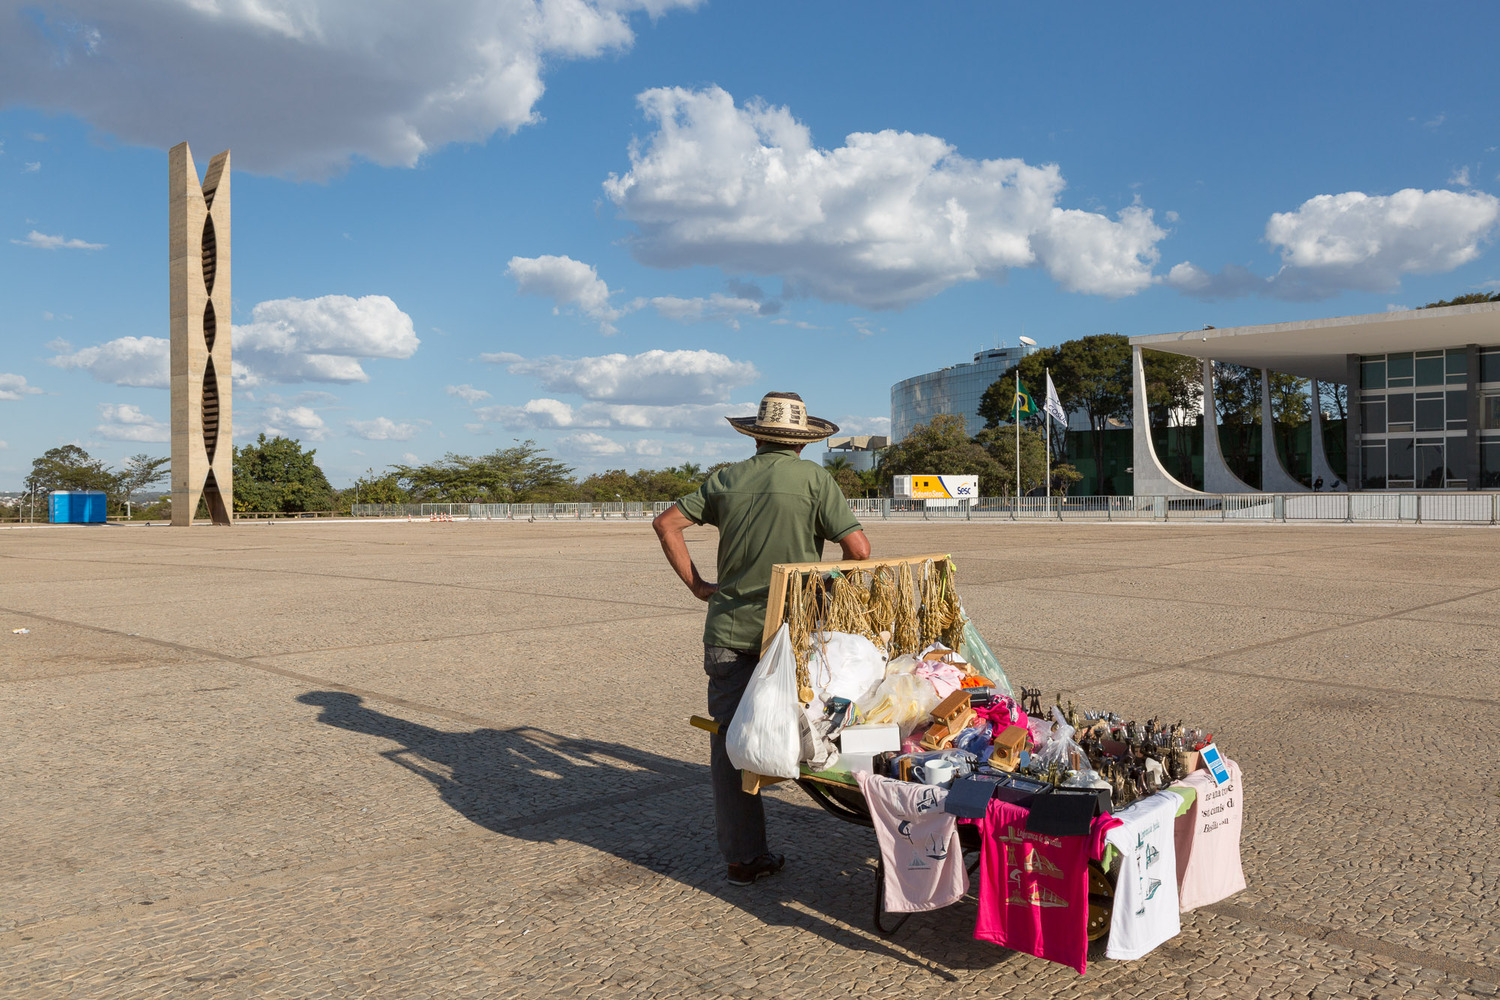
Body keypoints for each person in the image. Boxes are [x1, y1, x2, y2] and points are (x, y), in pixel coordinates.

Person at [653, 391, 871, 885]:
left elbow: (666, 524)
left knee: (731, 745)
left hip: (728, 632)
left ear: (756, 436)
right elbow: (859, 550)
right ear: (803, 442)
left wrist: (697, 585)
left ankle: (743, 857)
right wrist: (821, 584)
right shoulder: (815, 480)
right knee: (825, 728)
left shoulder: (727, 478)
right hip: (793, 636)